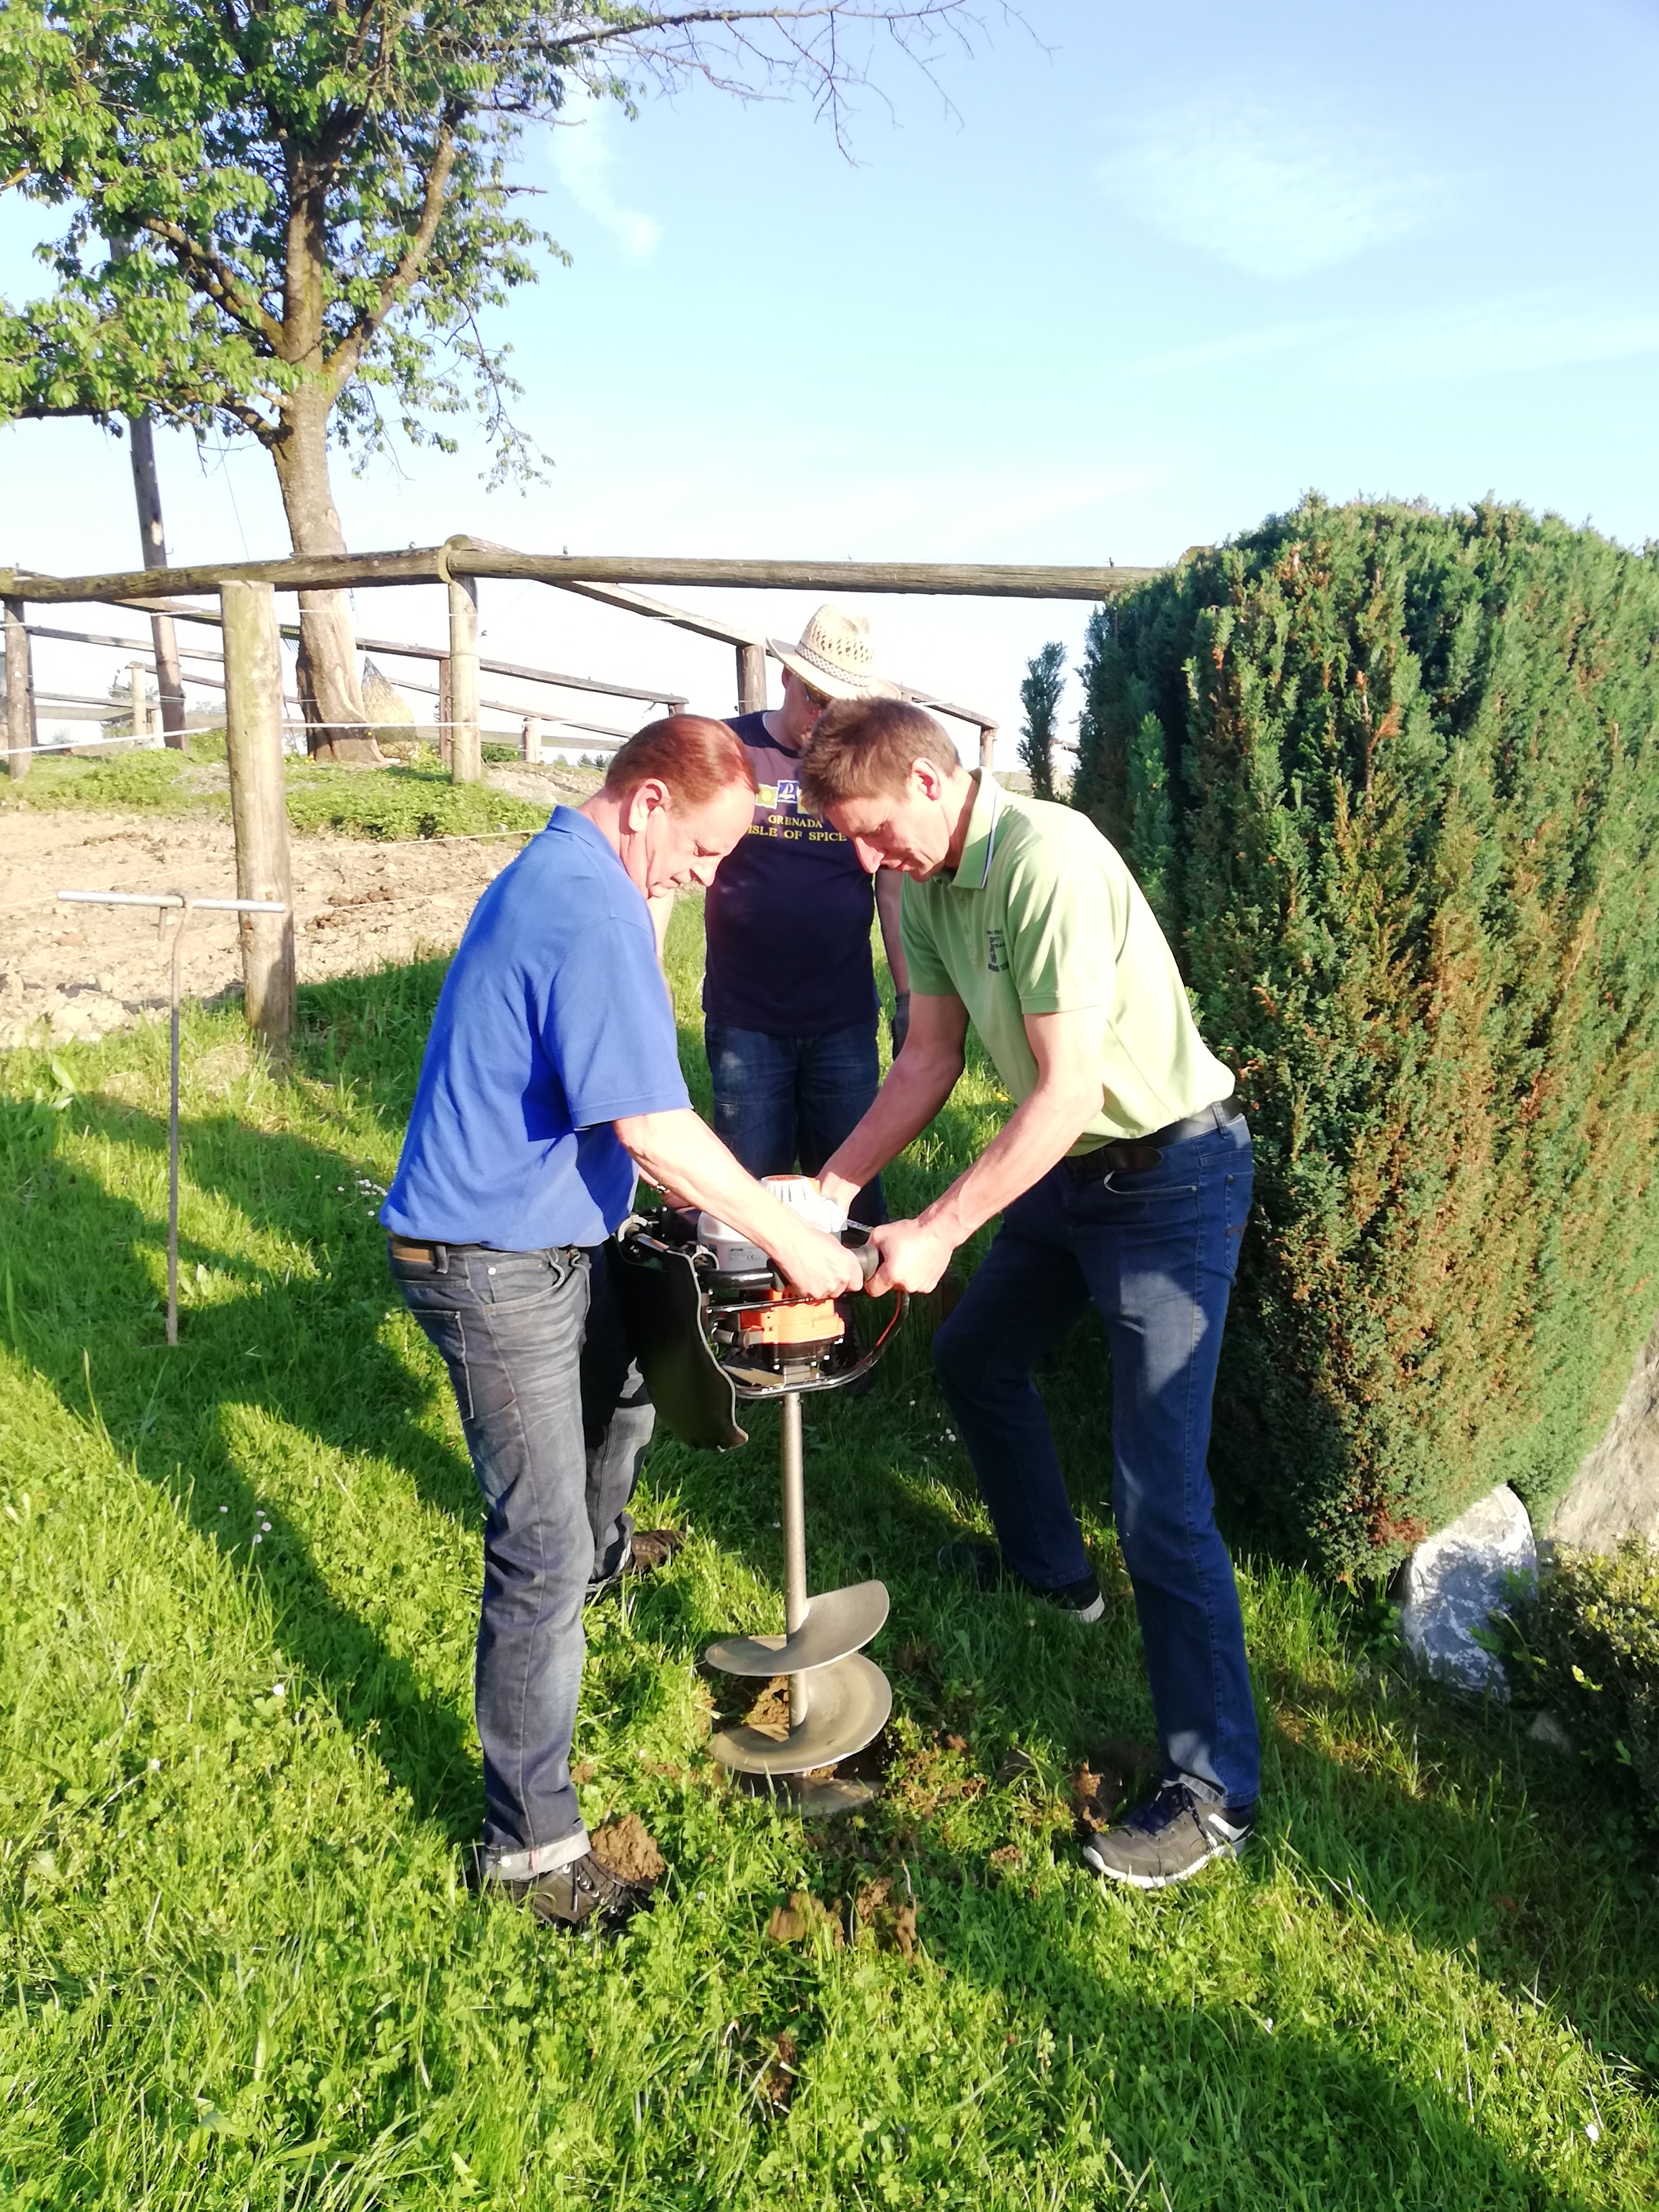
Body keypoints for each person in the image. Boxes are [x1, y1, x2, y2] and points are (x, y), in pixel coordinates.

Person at [380, 716, 863, 1931]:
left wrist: (688, 1193)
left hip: (555, 1234)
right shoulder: (587, 903)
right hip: (489, 1261)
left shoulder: (581, 876)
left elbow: (615, 1104)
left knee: (632, 1387)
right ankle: (531, 1850)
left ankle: (605, 1553)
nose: (707, 877)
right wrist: (792, 1237)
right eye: (703, 850)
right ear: (647, 803)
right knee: (534, 1550)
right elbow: (652, 1124)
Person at [798, 697, 1261, 1891]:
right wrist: (829, 1190)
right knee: (975, 1356)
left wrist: (941, 1227)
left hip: (1169, 1175)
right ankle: (1055, 1577)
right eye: (851, 843)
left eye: (872, 830)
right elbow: (927, 1056)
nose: (868, 859)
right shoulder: (924, 884)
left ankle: (1215, 1792)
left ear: (927, 777)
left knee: (1160, 1497)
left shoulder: (1045, 859)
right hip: (1068, 1176)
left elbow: (1065, 1092)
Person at [699, 605, 911, 1223]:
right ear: (786, 676)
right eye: (816, 697)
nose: (825, 716)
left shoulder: (864, 765)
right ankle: (754, 1288)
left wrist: (907, 997)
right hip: (747, 1019)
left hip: (842, 1018)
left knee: (850, 1192)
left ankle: (856, 1286)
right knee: (745, 1194)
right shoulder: (731, 750)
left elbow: (892, 891)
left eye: (842, 705)